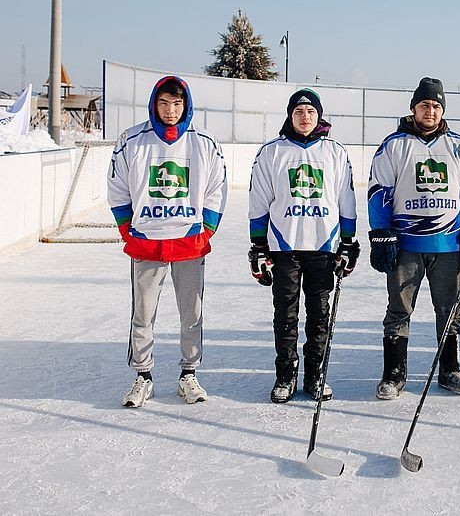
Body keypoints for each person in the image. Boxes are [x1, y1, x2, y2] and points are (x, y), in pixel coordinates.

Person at [108, 76, 228, 407]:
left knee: (191, 313)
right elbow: (117, 187)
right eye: (164, 103)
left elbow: (217, 187)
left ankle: (189, 373)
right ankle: (143, 375)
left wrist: (207, 229)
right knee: (143, 314)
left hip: (189, 243)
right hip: (147, 243)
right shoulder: (132, 140)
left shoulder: (203, 141)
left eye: (176, 104)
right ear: (154, 104)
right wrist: (126, 229)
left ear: (185, 105)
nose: (170, 111)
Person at [368, 77, 460, 400]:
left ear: (442, 109)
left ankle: (450, 369)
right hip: (406, 245)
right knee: (399, 309)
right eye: (424, 105)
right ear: (413, 108)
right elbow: (379, 191)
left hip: (449, 245)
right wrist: (381, 233)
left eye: (436, 106)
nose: (430, 111)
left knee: (449, 309)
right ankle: (394, 372)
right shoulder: (393, 145)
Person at [248, 89, 359, 403]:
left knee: (319, 314)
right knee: (285, 314)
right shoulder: (272, 152)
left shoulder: (335, 152)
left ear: (319, 115)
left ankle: (315, 375)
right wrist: (258, 246)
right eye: (299, 112)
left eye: (311, 111)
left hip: (323, 246)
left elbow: (346, 200)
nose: (305, 117)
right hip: (284, 246)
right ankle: (285, 376)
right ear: (290, 116)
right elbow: (258, 200)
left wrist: (348, 243)